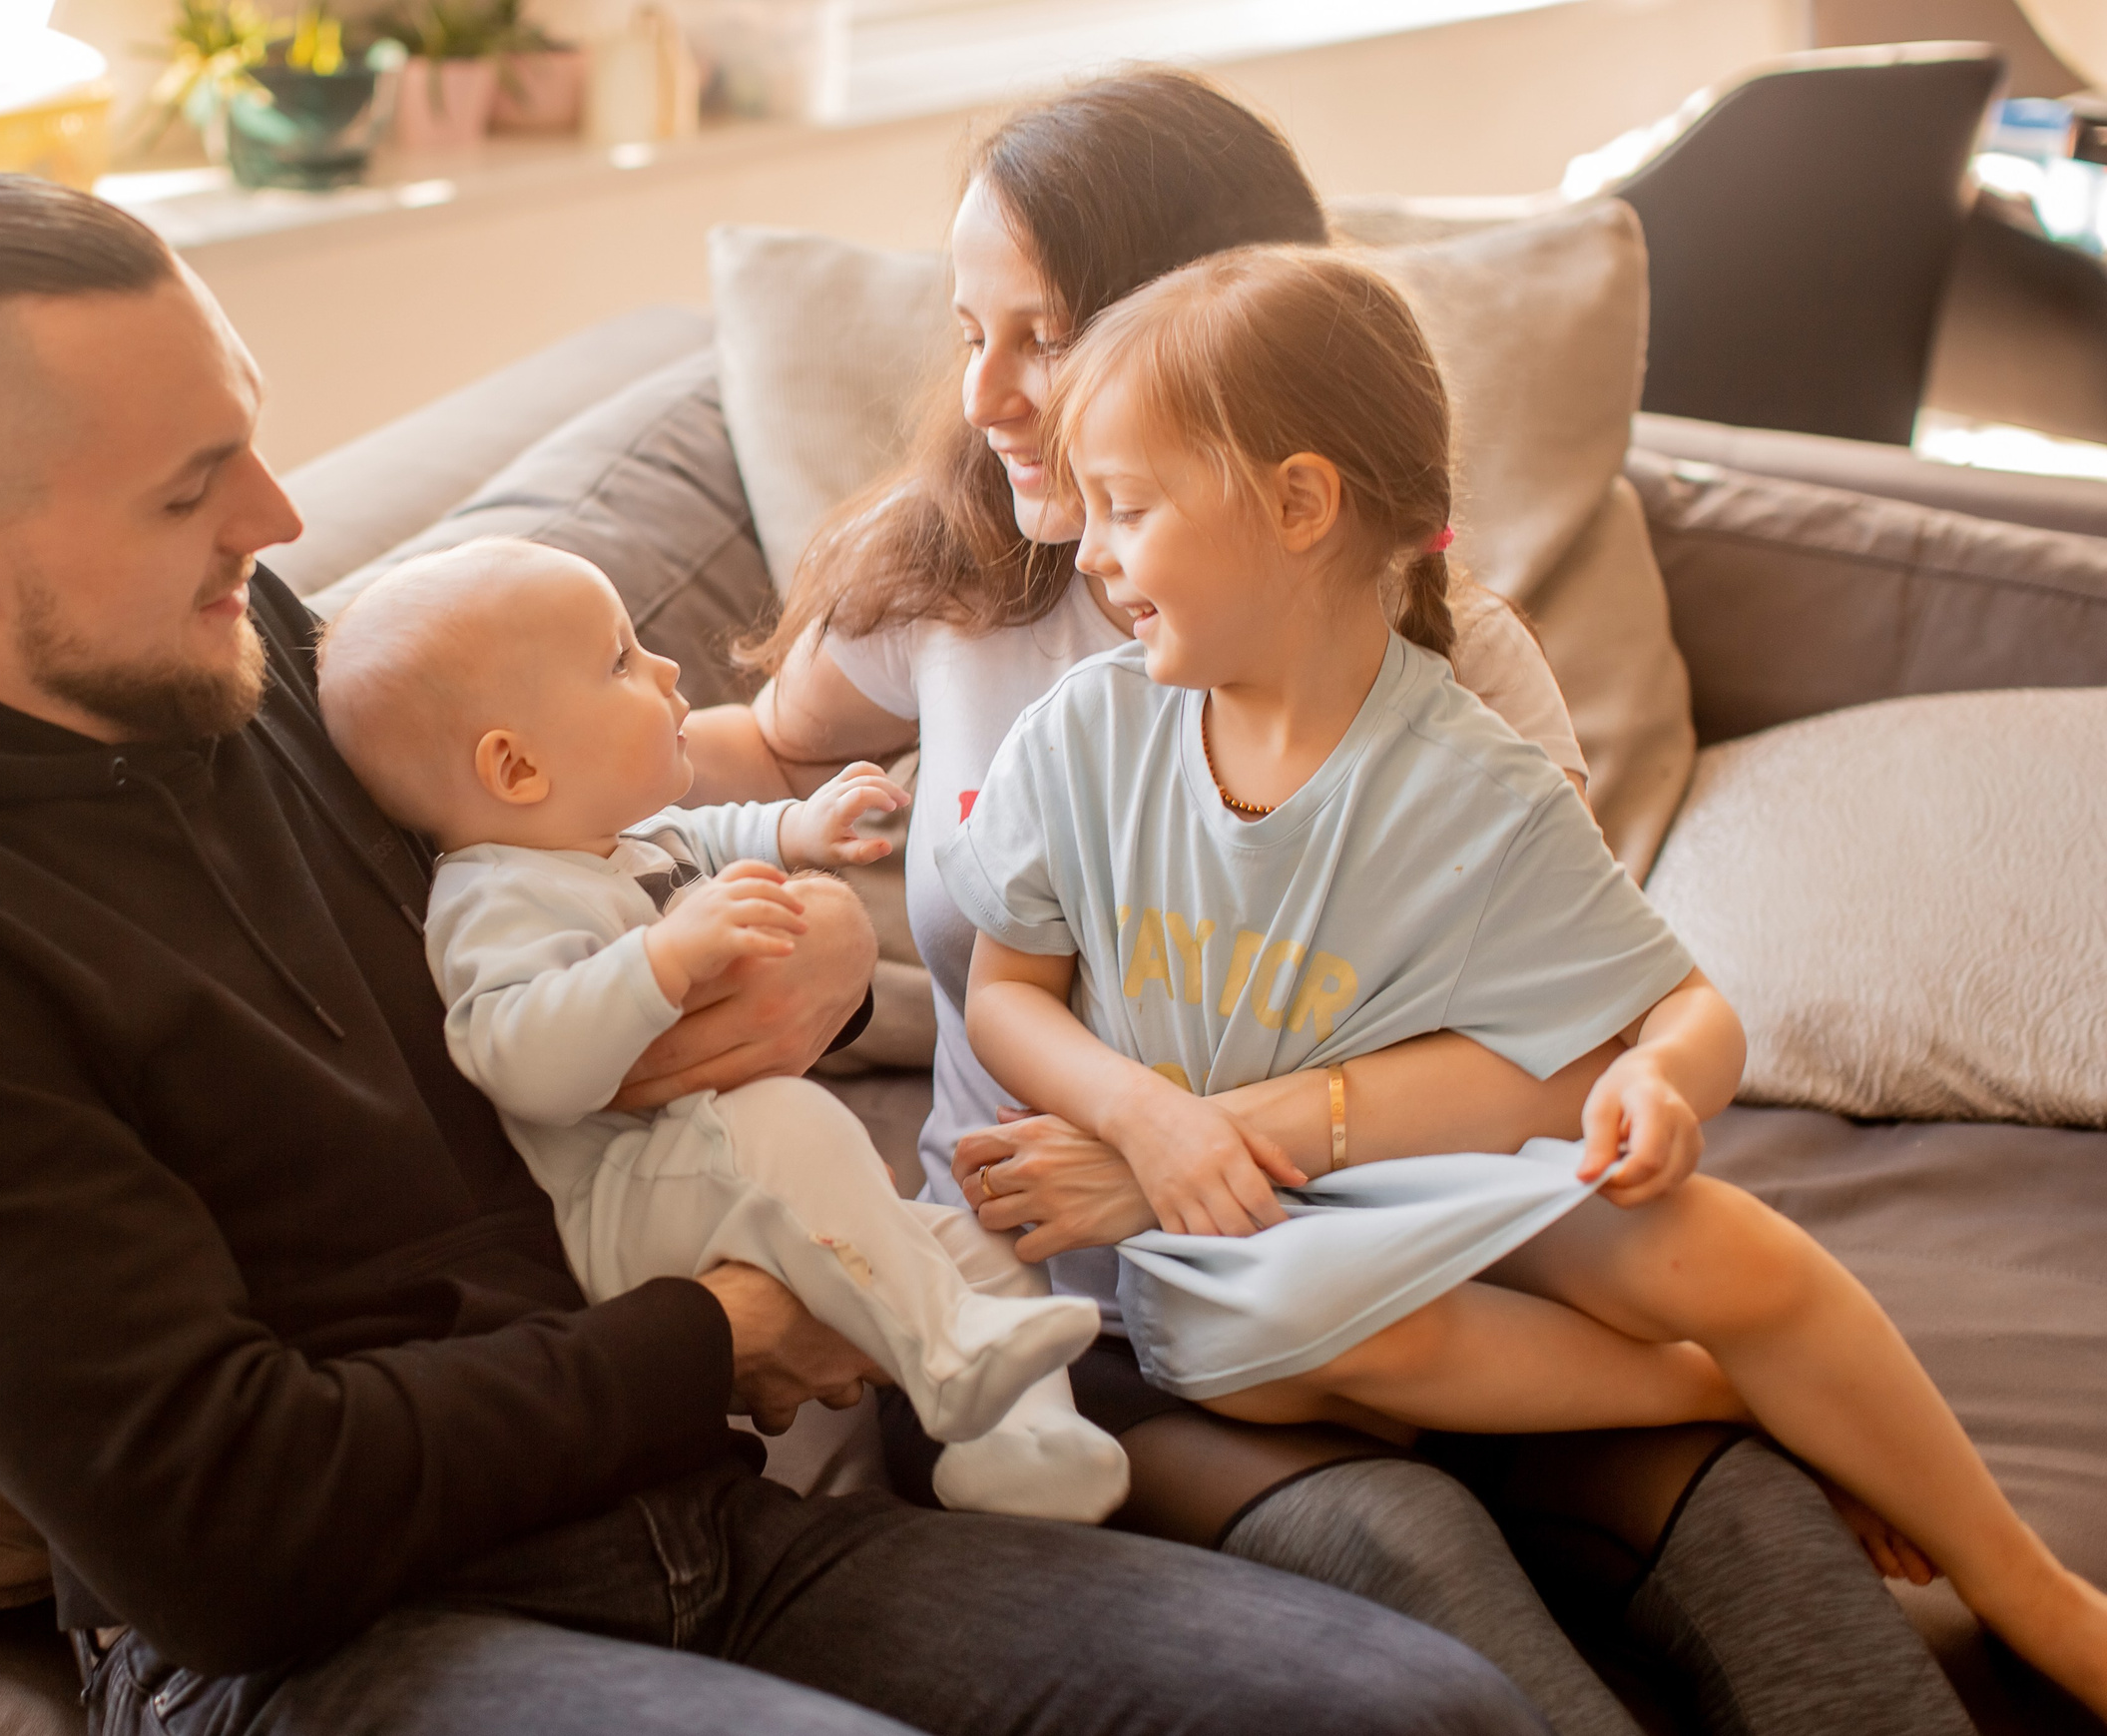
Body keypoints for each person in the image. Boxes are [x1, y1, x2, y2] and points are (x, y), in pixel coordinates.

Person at [0, 172, 1549, 1736]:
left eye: (247, 435)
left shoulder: (231, 643)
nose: (282, 518)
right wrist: (718, 1330)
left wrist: (801, 940)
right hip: (325, 1651)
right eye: (191, 488)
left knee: (1414, 1707)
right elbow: (219, 1529)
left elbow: (594, 844)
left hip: (680, 1517)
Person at [685, 67, 1977, 1736]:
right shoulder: (947, 598)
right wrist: (464, 730)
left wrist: (1207, 1128)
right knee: (1408, 1539)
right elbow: (737, 745)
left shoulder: (1442, 658)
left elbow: (1567, 1032)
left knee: (1748, 1515)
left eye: (1045, 332)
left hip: (1418, 1273)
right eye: (968, 328)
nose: (990, 390)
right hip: (1076, 1318)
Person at [946, 242, 2107, 1716]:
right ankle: (1740, 1388)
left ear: (1301, 506)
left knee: (1723, 1245)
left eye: (1126, 509)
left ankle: (2037, 1590)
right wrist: (1147, 1120)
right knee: (1267, 1334)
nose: (1092, 553)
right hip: (1223, 1248)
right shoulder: (1083, 736)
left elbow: (1680, 1011)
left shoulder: (1473, 781)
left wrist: (1656, 1085)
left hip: (1414, 1181)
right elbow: (1006, 993)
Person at [315, 538, 1127, 1521]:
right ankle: (948, 1358)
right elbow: (515, 1056)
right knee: (790, 1117)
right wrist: (658, 963)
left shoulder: (624, 841)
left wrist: (803, 832)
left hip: (719, 1170)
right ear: (517, 765)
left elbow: (715, 835)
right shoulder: (496, 897)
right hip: (628, 1205)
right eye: (620, 660)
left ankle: (1018, 1446)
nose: (664, 670)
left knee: (973, 1242)